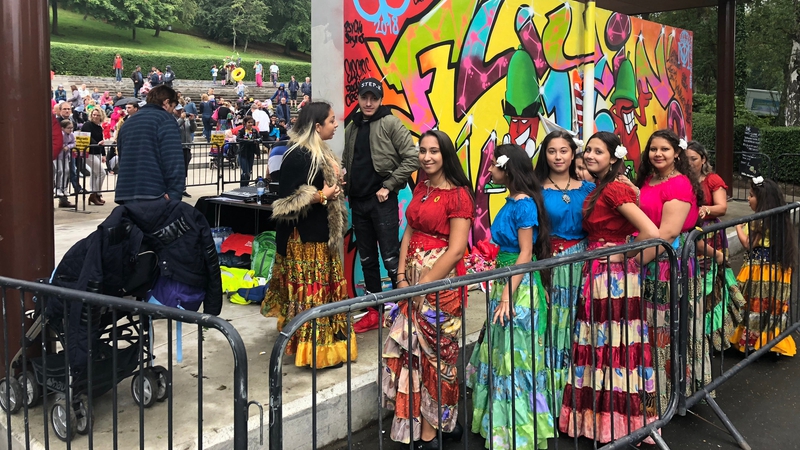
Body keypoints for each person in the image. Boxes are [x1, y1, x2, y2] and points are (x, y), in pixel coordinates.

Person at [558, 131, 660, 442]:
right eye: (588, 150)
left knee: (612, 345)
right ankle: (601, 422)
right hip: (601, 273)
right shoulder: (603, 186)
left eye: (598, 152)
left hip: (611, 277)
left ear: (614, 157)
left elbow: (651, 231)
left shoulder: (615, 189)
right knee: (602, 343)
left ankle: (616, 424)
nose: (589, 155)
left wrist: (621, 252)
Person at [381, 129, 473, 448]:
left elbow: (457, 249)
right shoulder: (421, 185)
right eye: (422, 150)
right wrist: (402, 277)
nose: (426, 156)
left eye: (434, 151)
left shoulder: (459, 194)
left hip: (441, 287)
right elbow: (410, 231)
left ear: (446, 154)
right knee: (412, 358)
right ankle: (421, 422)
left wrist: (423, 285)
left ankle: (433, 430)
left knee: (438, 361)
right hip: (413, 281)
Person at [467, 143, 554, 449]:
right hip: (506, 283)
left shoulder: (523, 204)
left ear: (507, 169)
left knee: (515, 358)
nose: (489, 170)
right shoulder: (514, 201)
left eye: (493, 165)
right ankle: (502, 425)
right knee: (503, 353)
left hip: (517, 289)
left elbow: (526, 253)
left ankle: (517, 430)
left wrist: (506, 295)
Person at [260, 101, 355, 369]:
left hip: (321, 236)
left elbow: (322, 187)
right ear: (317, 126)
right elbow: (284, 203)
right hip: (304, 240)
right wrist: (321, 196)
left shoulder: (321, 152)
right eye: (332, 121)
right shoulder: (298, 155)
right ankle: (315, 351)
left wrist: (333, 189)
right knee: (312, 295)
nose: (336, 125)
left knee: (323, 292)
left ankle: (323, 344)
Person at [634, 129, 708, 407]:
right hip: (646, 259)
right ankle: (652, 392)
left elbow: (667, 233)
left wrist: (631, 262)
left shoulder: (678, 184)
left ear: (677, 152)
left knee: (667, 329)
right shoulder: (649, 179)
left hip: (666, 266)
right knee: (648, 329)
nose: (658, 154)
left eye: (664, 149)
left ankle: (669, 395)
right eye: (653, 149)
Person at [342, 77, 417, 332]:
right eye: (364, 97)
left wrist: (390, 185)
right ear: (359, 98)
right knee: (367, 260)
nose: (369, 102)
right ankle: (375, 312)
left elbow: (412, 157)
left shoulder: (391, 123)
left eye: (374, 98)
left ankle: (403, 309)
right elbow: (348, 161)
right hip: (358, 203)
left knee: (391, 257)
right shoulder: (351, 127)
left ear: (381, 99)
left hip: (382, 202)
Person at [533, 130, 594, 410]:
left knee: (580, 324)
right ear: (545, 155)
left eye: (563, 151)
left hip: (585, 264)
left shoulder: (589, 190)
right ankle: (553, 400)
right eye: (552, 151)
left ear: (573, 154)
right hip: (551, 264)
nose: (558, 157)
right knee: (555, 325)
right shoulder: (535, 191)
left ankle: (579, 396)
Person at [685, 140, 744, 351]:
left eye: (694, 158)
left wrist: (705, 210)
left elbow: (722, 207)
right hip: (689, 232)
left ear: (703, 159)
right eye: (686, 159)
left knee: (710, 282)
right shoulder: (682, 179)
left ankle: (711, 334)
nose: (690, 163)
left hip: (708, 233)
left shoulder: (712, 179)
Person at [731, 177, 797, 357]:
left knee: (753, 305)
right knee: (773, 307)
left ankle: (751, 343)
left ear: (762, 199)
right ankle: (772, 342)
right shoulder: (779, 217)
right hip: (778, 269)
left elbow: (748, 244)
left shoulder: (758, 220)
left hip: (759, 270)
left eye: (751, 196)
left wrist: (737, 227)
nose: (748, 199)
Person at [115, 85, 184, 204]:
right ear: (166, 102)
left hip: (126, 192)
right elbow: (173, 159)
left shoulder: (128, 122)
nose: (172, 111)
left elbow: (121, 156)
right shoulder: (166, 120)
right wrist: (174, 193)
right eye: (172, 107)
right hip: (155, 192)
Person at [80, 108, 108, 205]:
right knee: (102, 173)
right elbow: (87, 137)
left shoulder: (99, 127)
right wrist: (97, 144)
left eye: (97, 115)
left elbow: (102, 141)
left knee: (95, 174)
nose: (95, 117)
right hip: (88, 152)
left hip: (96, 152)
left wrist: (104, 154)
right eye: (94, 115)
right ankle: (95, 194)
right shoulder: (87, 125)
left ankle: (95, 194)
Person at [175, 104, 196, 198]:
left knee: (184, 170)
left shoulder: (186, 121)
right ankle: (176, 188)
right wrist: (181, 119)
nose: (180, 112)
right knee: (178, 170)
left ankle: (183, 188)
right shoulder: (172, 119)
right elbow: (174, 127)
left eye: (182, 110)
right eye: (178, 110)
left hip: (187, 147)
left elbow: (193, 129)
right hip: (178, 148)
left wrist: (192, 121)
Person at [237, 117, 260, 187]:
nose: (250, 124)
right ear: (245, 123)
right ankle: (242, 186)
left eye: (251, 122)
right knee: (245, 171)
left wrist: (257, 140)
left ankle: (245, 186)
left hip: (251, 153)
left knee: (249, 171)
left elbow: (260, 138)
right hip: (243, 153)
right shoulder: (241, 131)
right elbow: (238, 139)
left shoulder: (254, 131)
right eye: (249, 122)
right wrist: (248, 141)